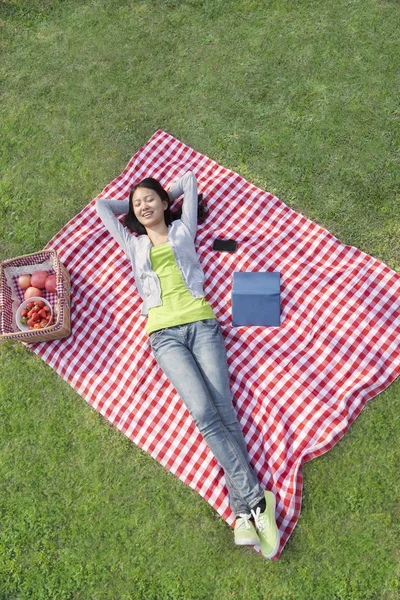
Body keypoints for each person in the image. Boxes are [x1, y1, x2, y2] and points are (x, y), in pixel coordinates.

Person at [96, 170, 280, 559]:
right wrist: (132, 205)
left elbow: (190, 180)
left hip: (201, 323)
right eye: (137, 203)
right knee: (203, 413)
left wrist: (163, 193)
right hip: (163, 335)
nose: (143, 206)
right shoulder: (133, 243)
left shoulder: (184, 229)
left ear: (166, 203)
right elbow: (103, 208)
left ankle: (243, 515)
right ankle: (258, 502)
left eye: (151, 199)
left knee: (226, 413)